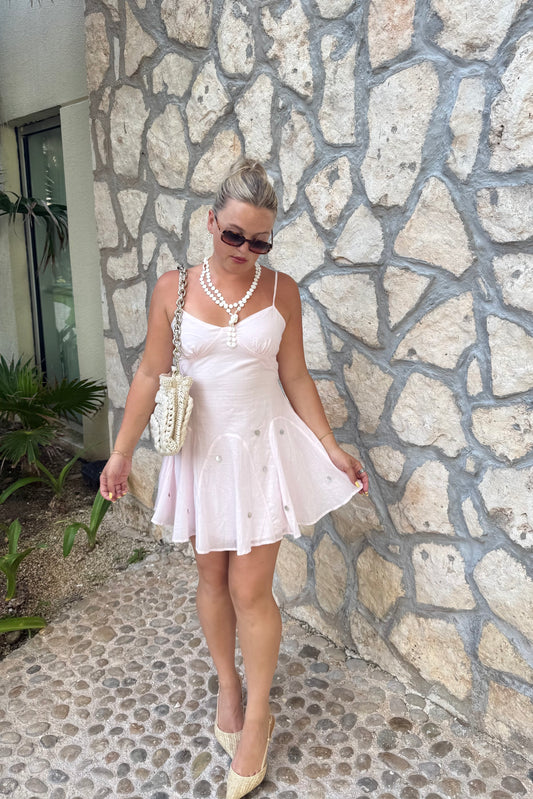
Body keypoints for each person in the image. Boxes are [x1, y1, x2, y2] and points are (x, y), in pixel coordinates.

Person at [99, 158, 369, 799]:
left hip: (260, 453)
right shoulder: (173, 288)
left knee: (252, 590)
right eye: (234, 235)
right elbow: (149, 373)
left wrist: (330, 446)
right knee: (211, 577)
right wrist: (121, 452)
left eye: (260, 242)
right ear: (211, 221)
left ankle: (258, 717)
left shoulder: (282, 292)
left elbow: (295, 376)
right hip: (201, 453)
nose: (245, 250)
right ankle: (228, 685)